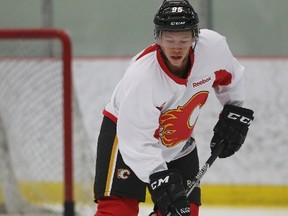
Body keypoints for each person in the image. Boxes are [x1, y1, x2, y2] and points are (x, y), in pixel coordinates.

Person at [93, 0, 254, 215]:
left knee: (186, 211)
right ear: (158, 38)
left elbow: (230, 76)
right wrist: (158, 175)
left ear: (195, 37)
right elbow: (135, 141)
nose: (176, 47)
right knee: (118, 210)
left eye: (184, 39)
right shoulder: (143, 77)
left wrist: (234, 112)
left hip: (178, 141)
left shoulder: (213, 49)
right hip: (125, 137)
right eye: (169, 39)